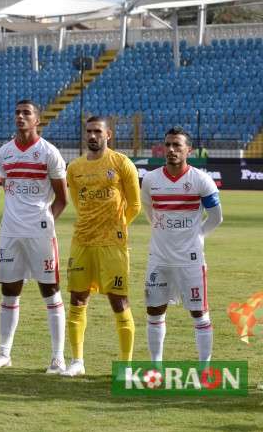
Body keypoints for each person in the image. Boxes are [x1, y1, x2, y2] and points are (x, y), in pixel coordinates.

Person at [0, 100, 68, 373]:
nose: (20, 117)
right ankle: (4, 353)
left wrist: (43, 222)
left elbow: (62, 199)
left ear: (37, 121)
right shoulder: (3, 154)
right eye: (17, 113)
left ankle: (57, 358)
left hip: (40, 233)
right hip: (10, 232)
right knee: (9, 290)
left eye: (26, 113)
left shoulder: (49, 153)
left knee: (50, 290)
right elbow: (8, 189)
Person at [62, 116, 141, 376]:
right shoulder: (74, 168)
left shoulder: (121, 163)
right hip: (82, 241)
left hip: (112, 245)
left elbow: (135, 205)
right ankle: (77, 362)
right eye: (89, 131)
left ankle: (125, 366)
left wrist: (118, 227)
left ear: (108, 135)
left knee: (119, 301)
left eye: (98, 131)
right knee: (77, 299)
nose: (92, 135)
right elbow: (77, 201)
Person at [142, 127, 222, 363]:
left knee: (199, 313)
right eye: (168, 145)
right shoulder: (150, 180)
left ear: (189, 150)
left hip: (191, 259)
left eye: (177, 145)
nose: (171, 150)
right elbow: (149, 212)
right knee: (154, 312)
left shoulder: (201, 180)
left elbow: (216, 217)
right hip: (159, 258)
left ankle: (204, 369)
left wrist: (198, 237)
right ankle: (156, 366)